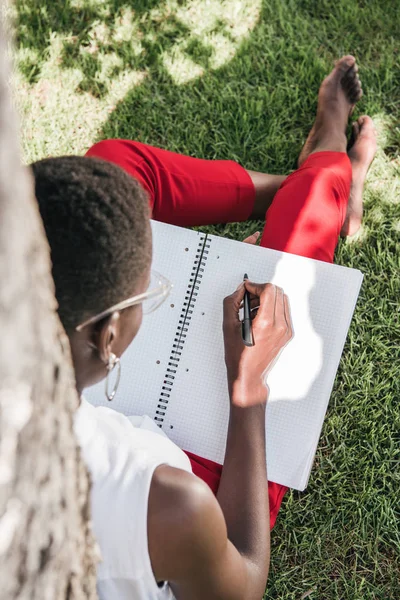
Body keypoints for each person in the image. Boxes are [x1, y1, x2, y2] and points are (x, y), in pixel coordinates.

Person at [32, 55, 376, 599]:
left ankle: (297, 186)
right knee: (297, 247)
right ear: (109, 339)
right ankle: (328, 172)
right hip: (185, 504)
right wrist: (248, 390)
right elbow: (243, 584)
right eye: (147, 291)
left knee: (111, 168)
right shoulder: (160, 496)